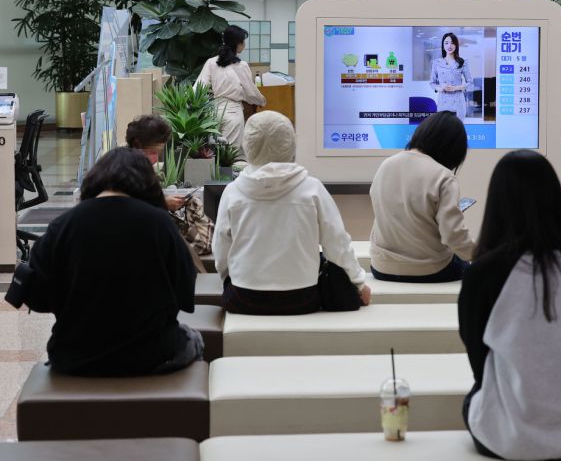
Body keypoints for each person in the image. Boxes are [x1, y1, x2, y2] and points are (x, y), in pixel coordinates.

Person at [459, 150, 561, 460]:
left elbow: (480, 367)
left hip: (514, 440)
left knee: (474, 398)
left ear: (496, 205)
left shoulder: (484, 274)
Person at [25, 147, 202, 376]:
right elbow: (184, 293)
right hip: (151, 354)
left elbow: (37, 297)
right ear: (147, 183)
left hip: (75, 356)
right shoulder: (159, 223)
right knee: (194, 338)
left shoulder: (64, 225)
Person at [213, 111, 371, 314]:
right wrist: (359, 284)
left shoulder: (233, 191)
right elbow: (337, 243)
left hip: (244, 298)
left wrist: (232, 276)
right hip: (302, 299)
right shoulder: (312, 188)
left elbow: (221, 251)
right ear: (290, 143)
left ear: (248, 143)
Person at [370, 111, 475, 282]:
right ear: (454, 148)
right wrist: (481, 253)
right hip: (429, 270)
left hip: (381, 267)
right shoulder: (443, 176)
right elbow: (453, 235)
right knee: (467, 266)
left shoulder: (386, 165)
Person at [126, 115, 214, 257]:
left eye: (158, 154)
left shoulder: (137, 166)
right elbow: (131, 207)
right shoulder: (126, 169)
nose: (155, 159)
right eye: (153, 153)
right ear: (137, 145)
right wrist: (162, 203)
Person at [196, 25, 266, 153]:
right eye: (243, 41)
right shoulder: (241, 65)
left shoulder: (211, 62)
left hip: (214, 114)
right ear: (237, 44)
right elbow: (251, 93)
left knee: (213, 156)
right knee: (229, 157)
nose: (244, 44)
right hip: (233, 114)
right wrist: (262, 101)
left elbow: (198, 88)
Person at [430, 32, 473, 120]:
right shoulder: (437, 63)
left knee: (457, 130)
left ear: (456, 45)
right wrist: (440, 88)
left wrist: (456, 88)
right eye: (446, 43)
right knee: (443, 130)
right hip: (443, 101)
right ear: (443, 45)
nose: (449, 45)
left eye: (452, 43)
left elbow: (470, 83)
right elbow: (432, 83)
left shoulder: (463, 62)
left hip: (458, 102)